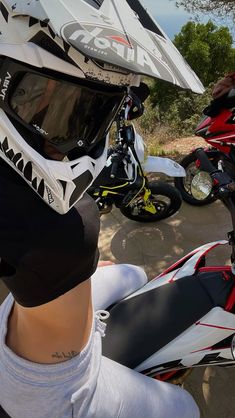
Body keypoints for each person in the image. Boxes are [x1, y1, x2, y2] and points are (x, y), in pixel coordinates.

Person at [0, 1, 200, 417]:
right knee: (185, 408)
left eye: (91, 115)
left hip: (22, 315)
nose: (71, 146)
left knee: (133, 271)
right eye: (47, 108)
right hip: (54, 394)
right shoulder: (60, 228)